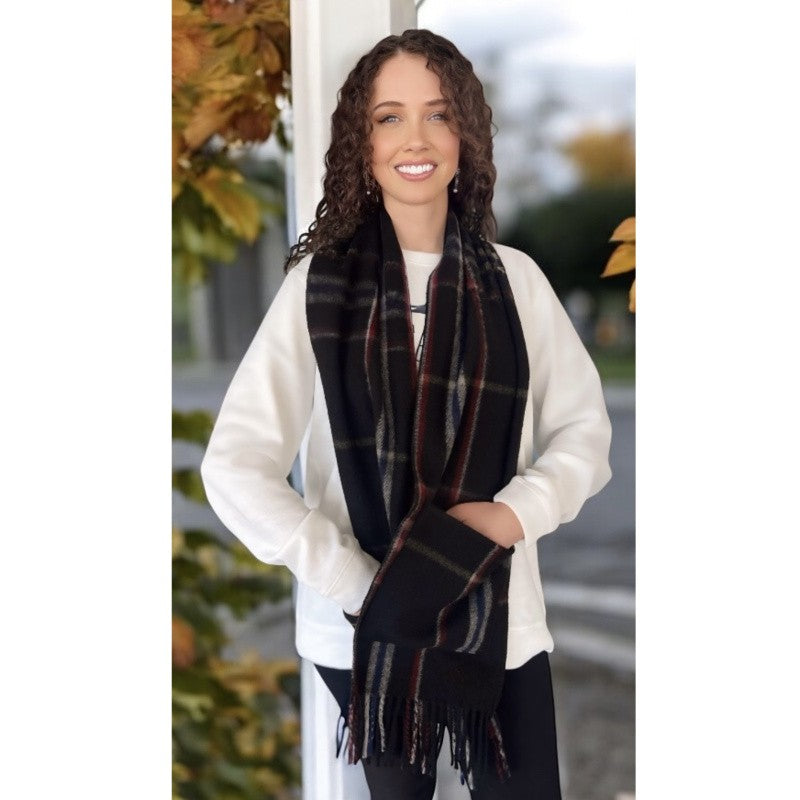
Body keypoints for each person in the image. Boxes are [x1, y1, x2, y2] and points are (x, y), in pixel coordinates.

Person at [201, 28, 612, 800]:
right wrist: (359, 581)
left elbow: (585, 434)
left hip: (500, 620)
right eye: (389, 117)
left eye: (437, 114)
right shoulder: (318, 290)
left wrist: (510, 515)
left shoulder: (516, 283)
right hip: (363, 626)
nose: (414, 139)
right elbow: (235, 467)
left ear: (467, 135)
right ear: (362, 140)